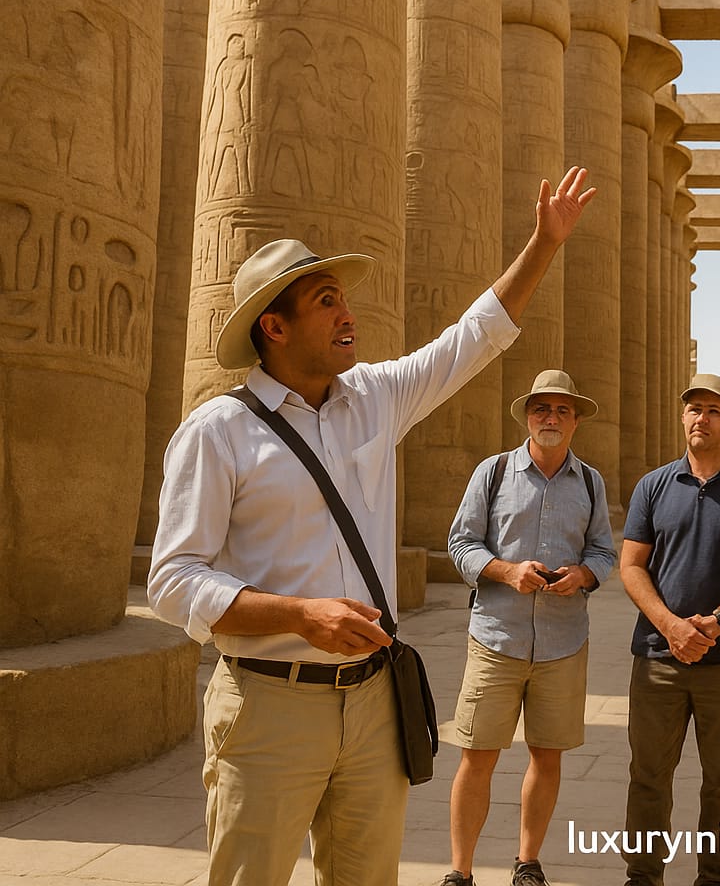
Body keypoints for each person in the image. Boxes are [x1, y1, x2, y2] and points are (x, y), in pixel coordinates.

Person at [148, 168, 595, 886]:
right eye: (327, 301)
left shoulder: (375, 398)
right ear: (275, 326)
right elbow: (172, 581)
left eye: (343, 298)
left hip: (371, 702)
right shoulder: (218, 432)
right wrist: (298, 614)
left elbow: (474, 337)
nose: (347, 312)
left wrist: (545, 243)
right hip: (267, 707)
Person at [438, 369, 616, 886]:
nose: (551, 418)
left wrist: (582, 574)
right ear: (527, 416)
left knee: (547, 755)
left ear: (576, 420)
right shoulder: (492, 473)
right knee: (477, 757)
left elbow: (604, 550)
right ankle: (460, 870)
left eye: (562, 409)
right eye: (542, 408)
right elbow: (462, 543)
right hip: (496, 636)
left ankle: (527, 861)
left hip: (563, 642)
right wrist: (507, 571)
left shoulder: (590, 481)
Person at [619, 373, 720, 886]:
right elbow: (631, 566)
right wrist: (670, 626)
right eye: (694, 408)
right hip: (657, 657)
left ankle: (716, 877)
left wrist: (716, 621)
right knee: (648, 777)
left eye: (713, 410)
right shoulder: (653, 485)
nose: (701, 418)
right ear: (682, 416)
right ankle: (642, 876)